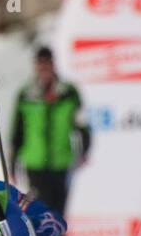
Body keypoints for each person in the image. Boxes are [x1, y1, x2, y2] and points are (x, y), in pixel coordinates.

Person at [11, 46, 89, 216]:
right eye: (40, 64)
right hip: (35, 164)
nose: (44, 68)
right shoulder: (26, 94)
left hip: (61, 163)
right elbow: (17, 132)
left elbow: (82, 123)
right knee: (39, 213)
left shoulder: (69, 92)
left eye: (47, 63)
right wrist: (12, 163)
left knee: (59, 214)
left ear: (54, 64)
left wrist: (84, 150)